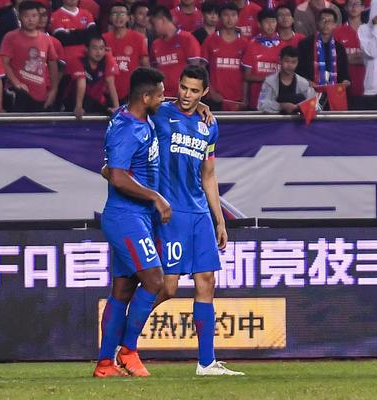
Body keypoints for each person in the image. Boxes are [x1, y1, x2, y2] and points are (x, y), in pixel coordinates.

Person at [150, 65, 244, 376]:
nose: (187, 95)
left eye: (194, 91)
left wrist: (220, 220)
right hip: (170, 211)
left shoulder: (209, 126)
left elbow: (209, 174)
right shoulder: (161, 112)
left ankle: (206, 362)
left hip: (199, 212)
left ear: (204, 92)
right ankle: (124, 332)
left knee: (207, 281)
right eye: (183, 87)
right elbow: (135, 106)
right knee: (168, 287)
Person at [93, 66, 169, 378]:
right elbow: (117, 176)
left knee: (123, 289)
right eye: (160, 95)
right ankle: (128, 351)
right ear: (146, 97)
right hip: (126, 217)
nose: (164, 99)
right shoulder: (127, 128)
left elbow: (108, 168)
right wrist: (155, 197)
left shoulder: (136, 117)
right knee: (154, 281)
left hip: (137, 217)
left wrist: (201, 105)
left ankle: (104, 364)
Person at [0, 0, 59, 112]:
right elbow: (4, 62)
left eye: (34, 16)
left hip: (41, 94)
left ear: (39, 17)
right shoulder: (10, 37)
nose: (30, 20)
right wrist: (16, 83)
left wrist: (54, 89)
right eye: (26, 16)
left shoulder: (46, 39)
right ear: (19, 17)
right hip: (18, 92)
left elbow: (53, 63)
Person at [201, 2, 248, 110]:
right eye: (226, 15)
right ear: (220, 17)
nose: (229, 19)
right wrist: (211, 92)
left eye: (233, 15)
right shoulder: (210, 40)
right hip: (215, 99)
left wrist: (245, 98)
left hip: (236, 100)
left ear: (238, 17)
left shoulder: (245, 43)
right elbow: (202, 69)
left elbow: (246, 73)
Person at [149, 6, 202, 97]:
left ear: (163, 20)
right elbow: (154, 70)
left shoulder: (187, 39)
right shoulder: (155, 44)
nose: (151, 28)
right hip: (163, 97)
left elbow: (195, 69)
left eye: (153, 24)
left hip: (184, 96)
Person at [103, 2, 149, 103]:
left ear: (128, 17)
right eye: (115, 13)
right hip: (107, 92)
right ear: (110, 17)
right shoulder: (103, 39)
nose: (118, 17)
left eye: (122, 14)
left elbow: (145, 65)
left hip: (132, 92)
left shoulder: (138, 38)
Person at [66, 34, 119, 118]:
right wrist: (79, 107)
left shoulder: (107, 58)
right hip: (74, 98)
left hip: (97, 100)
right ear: (87, 49)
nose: (98, 52)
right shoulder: (78, 59)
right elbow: (81, 83)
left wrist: (117, 108)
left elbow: (111, 83)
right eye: (94, 48)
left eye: (101, 48)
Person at [297, 9, 350, 89]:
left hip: (333, 90)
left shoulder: (339, 48)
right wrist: (307, 82)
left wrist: (345, 82)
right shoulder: (305, 44)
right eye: (323, 20)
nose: (326, 24)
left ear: (335, 25)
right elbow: (298, 71)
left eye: (330, 21)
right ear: (317, 22)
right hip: (310, 89)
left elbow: (344, 73)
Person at [242, 7, 282, 110]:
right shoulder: (252, 45)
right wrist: (266, 79)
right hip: (256, 100)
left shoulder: (283, 45)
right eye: (267, 22)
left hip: (279, 99)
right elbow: (247, 76)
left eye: (273, 22)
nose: (270, 25)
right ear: (259, 24)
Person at [257, 45, 316, 113]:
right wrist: (280, 106)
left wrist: (298, 107)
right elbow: (261, 105)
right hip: (274, 119)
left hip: (298, 119)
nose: (290, 65)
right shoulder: (269, 82)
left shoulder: (304, 83)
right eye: (287, 61)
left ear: (297, 63)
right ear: (280, 60)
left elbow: (314, 105)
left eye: (293, 62)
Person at [333, 0, 365, 108]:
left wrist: (347, 58)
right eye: (351, 4)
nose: (354, 7)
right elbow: (337, 59)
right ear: (346, 7)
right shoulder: (337, 32)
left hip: (366, 86)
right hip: (345, 86)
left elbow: (372, 59)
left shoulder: (370, 32)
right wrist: (361, 58)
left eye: (357, 4)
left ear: (363, 7)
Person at [50, 0, 97, 64]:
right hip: (67, 59)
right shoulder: (56, 15)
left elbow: (93, 34)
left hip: (88, 58)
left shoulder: (87, 13)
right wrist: (85, 32)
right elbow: (63, 39)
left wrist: (71, 32)